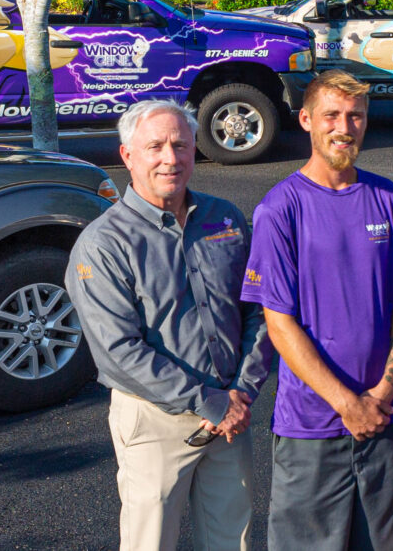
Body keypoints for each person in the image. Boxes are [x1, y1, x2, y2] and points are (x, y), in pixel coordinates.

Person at [67, 100, 271, 551]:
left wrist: (243, 389)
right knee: (149, 543)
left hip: (229, 415)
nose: (170, 158)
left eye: (180, 145)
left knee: (231, 542)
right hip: (154, 419)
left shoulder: (225, 217)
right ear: (127, 156)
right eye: (155, 146)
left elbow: (257, 308)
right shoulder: (103, 245)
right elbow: (118, 350)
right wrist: (209, 400)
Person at [245, 70, 393, 550]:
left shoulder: (389, 199)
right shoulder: (280, 209)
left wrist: (383, 392)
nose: (344, 126)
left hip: (384, 420)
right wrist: (348, 404)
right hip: (312, 427)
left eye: (356, 116)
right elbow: (278, 324)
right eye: (332, 115)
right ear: (305, 120)